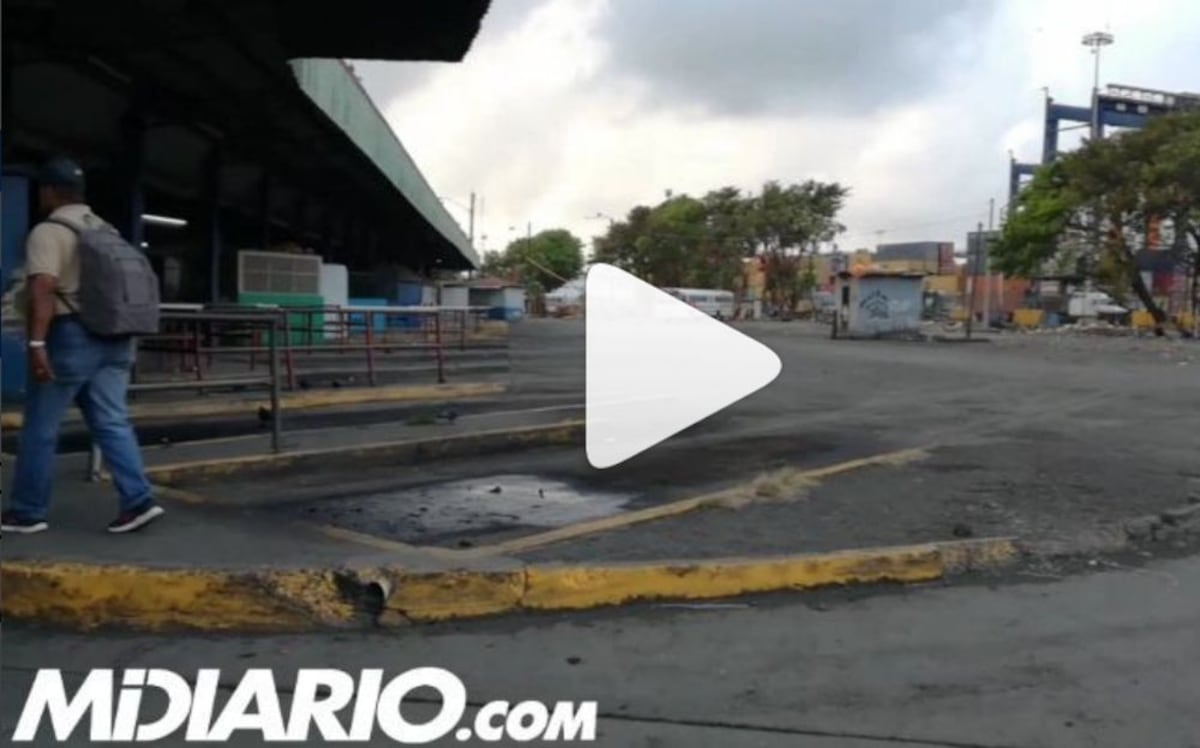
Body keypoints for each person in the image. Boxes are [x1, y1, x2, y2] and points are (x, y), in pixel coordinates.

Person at [1, 156, 164, 534]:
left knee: (40, 427)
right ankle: (138, 500)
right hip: (115, 337)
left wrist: (36, 343)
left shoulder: (49, 231)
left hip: (71, 336)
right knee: (112, 421)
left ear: (48, 191)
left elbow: (43, 287)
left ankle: (27, 512)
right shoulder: (105, 228)